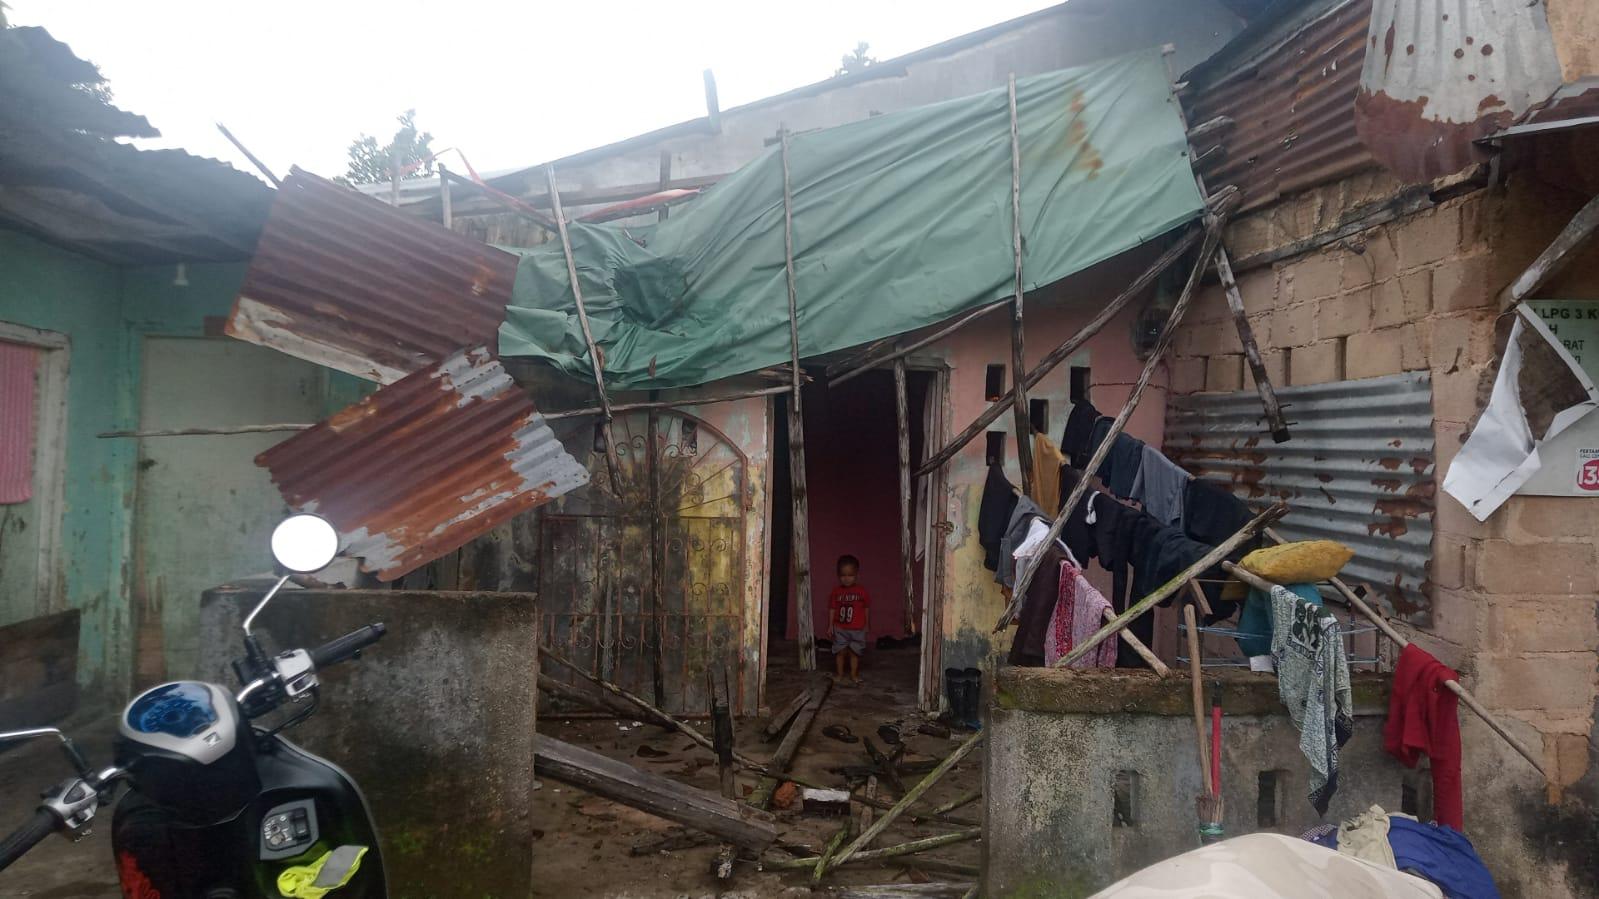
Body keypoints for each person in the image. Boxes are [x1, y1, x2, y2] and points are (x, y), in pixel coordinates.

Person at [827, 554, 871, 685]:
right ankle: (839, 674)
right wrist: (830, 626)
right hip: (840, 628)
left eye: (850, 575)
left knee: (854, 653)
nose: (846, 579)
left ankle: (854, 674)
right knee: (840, 652)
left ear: (857, 575)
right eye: (843, 575)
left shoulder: (862, 592)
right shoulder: (836, 592)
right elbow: (832, 609)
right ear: (838, 575)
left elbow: (866, 608)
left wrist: (867, 624)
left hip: (857, 628)